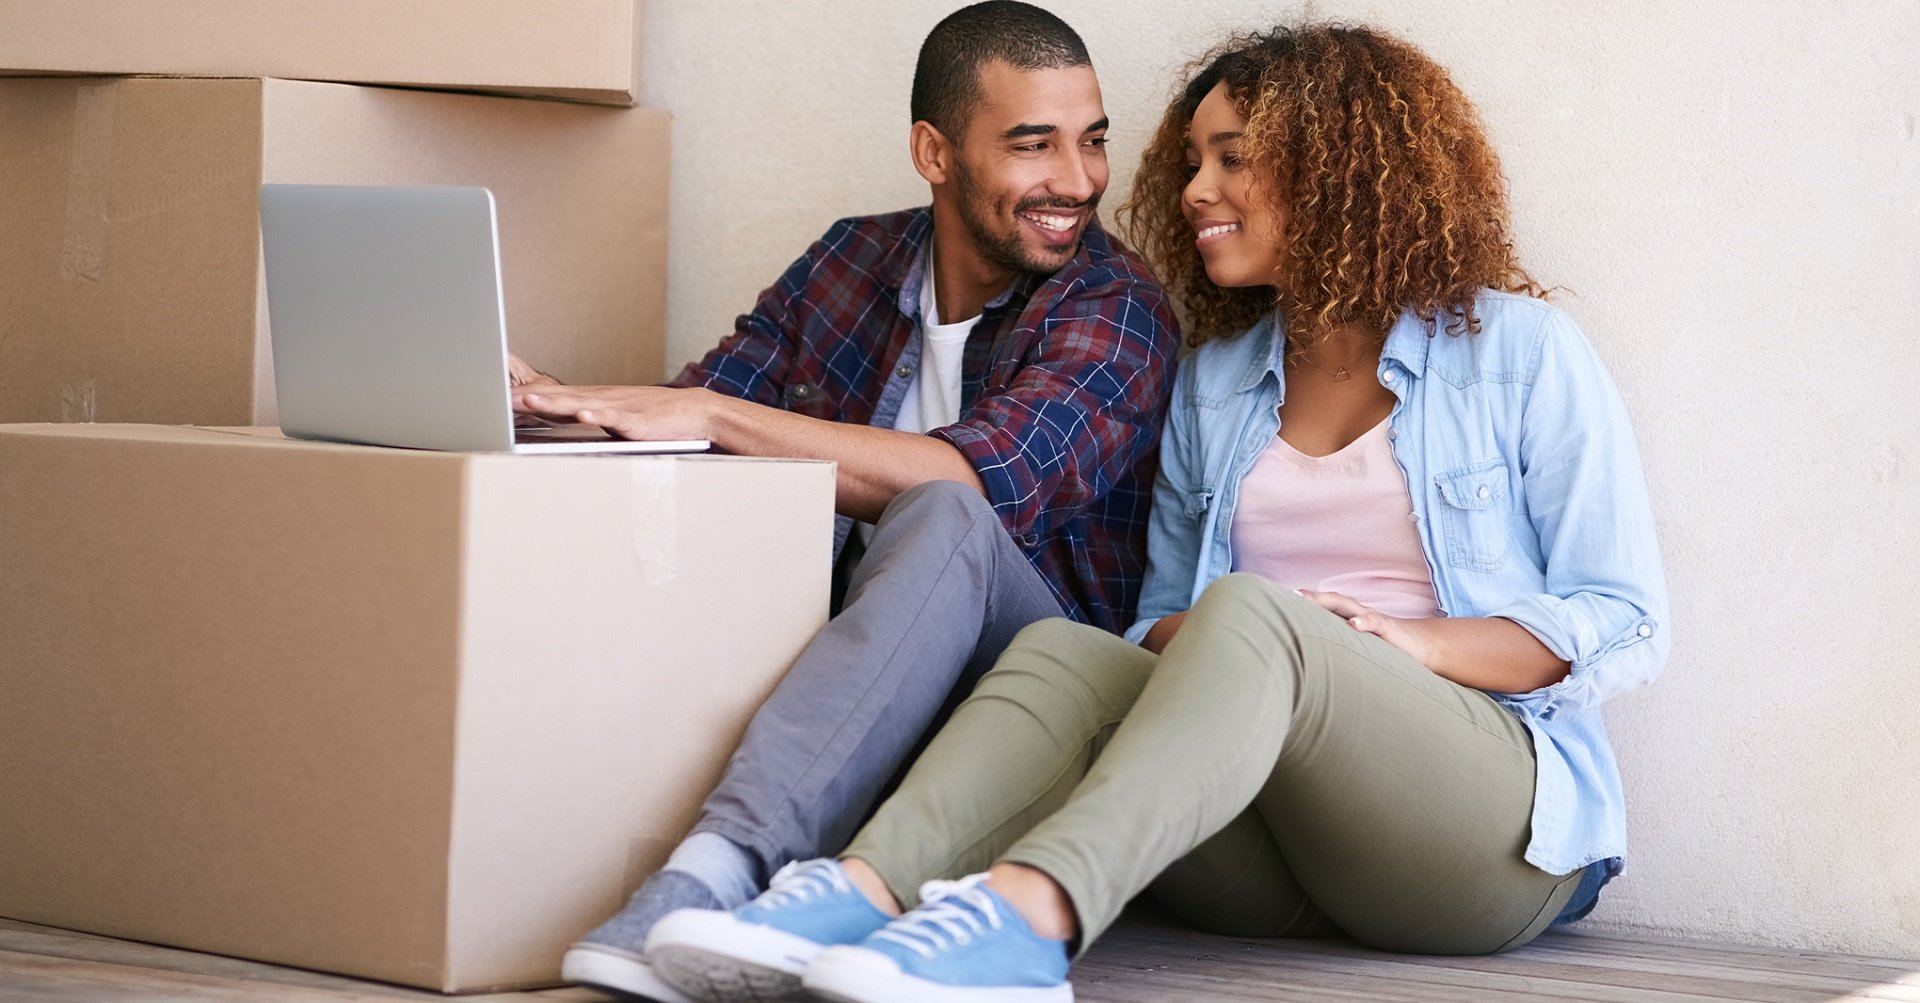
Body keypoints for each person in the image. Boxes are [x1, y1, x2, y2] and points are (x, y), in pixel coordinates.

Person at [639, 22, 1672, 1003]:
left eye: (1230, 160)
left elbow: (1623, 619)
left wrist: (1406, 646)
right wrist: (1242, 637)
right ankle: (852, 892)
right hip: (1276, 851)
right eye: (1192, 162)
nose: (1192, 191)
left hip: (1483, 837)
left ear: (1335, 170)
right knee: (1070, 649)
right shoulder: (1217, 382)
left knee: (1259, 612)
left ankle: (1027, 921)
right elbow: (1158, 619)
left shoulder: (1520, 354)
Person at [523, 4, 1179, 1001]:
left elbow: (983, 478)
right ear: (934, 150)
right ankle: (698, 871)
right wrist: (552, 408)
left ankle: (718, 867)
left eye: (1091, 141)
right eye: (1032, 144)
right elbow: (698, 432)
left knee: (944, 511)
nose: (1079, 181)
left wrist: (700, 410)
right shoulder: (849, 266)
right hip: (848, 688)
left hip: (1041, 702)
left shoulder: (1116, 306)